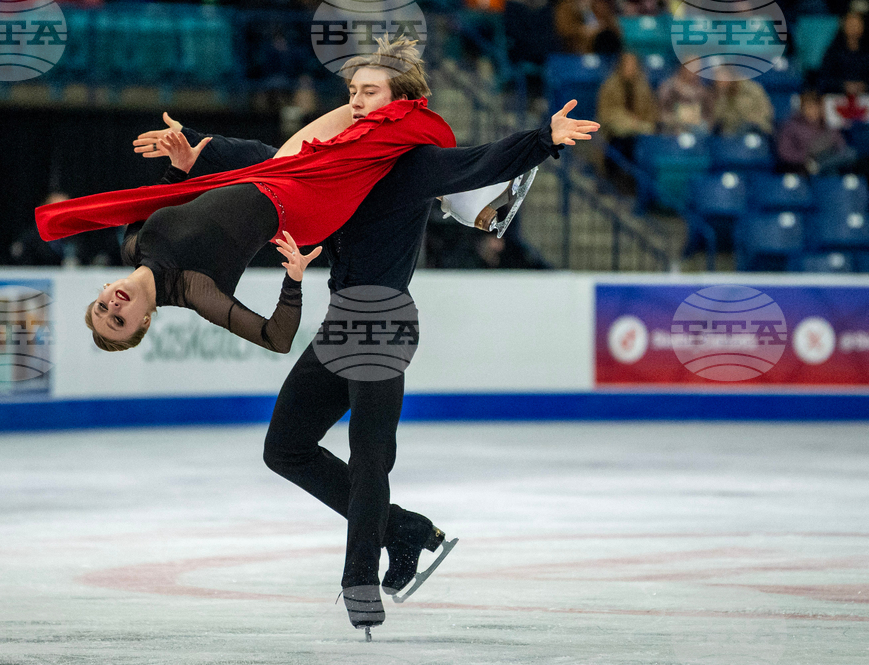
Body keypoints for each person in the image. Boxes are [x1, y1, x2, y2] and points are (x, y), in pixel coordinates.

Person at [134, 48, 599, 634]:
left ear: (400, 102)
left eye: (370, 91)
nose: (355, 100)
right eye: (353, 90)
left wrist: (544, 139)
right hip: (341, 322)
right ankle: (403, 531)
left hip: (381, 319)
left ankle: (359, 580)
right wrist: (199, 150)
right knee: (285, 448)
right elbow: (272, 161)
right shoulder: (337, 158)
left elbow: (477, 163)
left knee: (371, 453)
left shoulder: (412, 164)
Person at [36, 39, 456, 354]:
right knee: (360, 126)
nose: (112, 307)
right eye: (118, 321)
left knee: (359, 121)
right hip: (295, 202)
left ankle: (439, 160)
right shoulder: (195, 290)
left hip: (258, 173)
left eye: (101, 307)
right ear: (143, 322)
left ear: (105, 288)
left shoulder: (132, 246)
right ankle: (450, 172)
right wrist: (292, 282)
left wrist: (179, 166)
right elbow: (276, 339)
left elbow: (156, 201)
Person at [596, 52, 657, 193]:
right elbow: (604, 114)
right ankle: (612, 180)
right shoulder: (609, 86)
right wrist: (625, 120)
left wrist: (641, 124)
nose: (630, 68)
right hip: (613, 133)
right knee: (620, 143)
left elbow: (651, 114)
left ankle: (640, 187)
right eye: (627, 65)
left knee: (644, 145)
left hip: (639, 132)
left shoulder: (643, 87)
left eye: (633, 65)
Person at [777, 89, 857, 175]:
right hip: (803, 165)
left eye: (816, 107)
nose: (812, 111)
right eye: (809, 107)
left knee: (849, 155)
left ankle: (817, 167)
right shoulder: (791, 126)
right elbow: (784, 153)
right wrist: (806, 156)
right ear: (802, 109)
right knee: (830, 171)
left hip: (826, 161)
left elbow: (841, 146)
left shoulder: (827, 126)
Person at [818, 10, 869, 96]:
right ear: (844, 25)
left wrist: (864, 86)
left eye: (857, 24)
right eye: (850, 24)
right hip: (836, 100)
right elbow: (824, 80)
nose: (853, 28)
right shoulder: (833, 52)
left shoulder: (866, 52)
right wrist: (843, 86)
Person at [657, 65, 715, 135]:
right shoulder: (667, 88)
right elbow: (661, 112)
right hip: (673, 127)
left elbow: (709, 116)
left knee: (702, 127)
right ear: (682, 68)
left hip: (697, 127)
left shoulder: (704, 91)